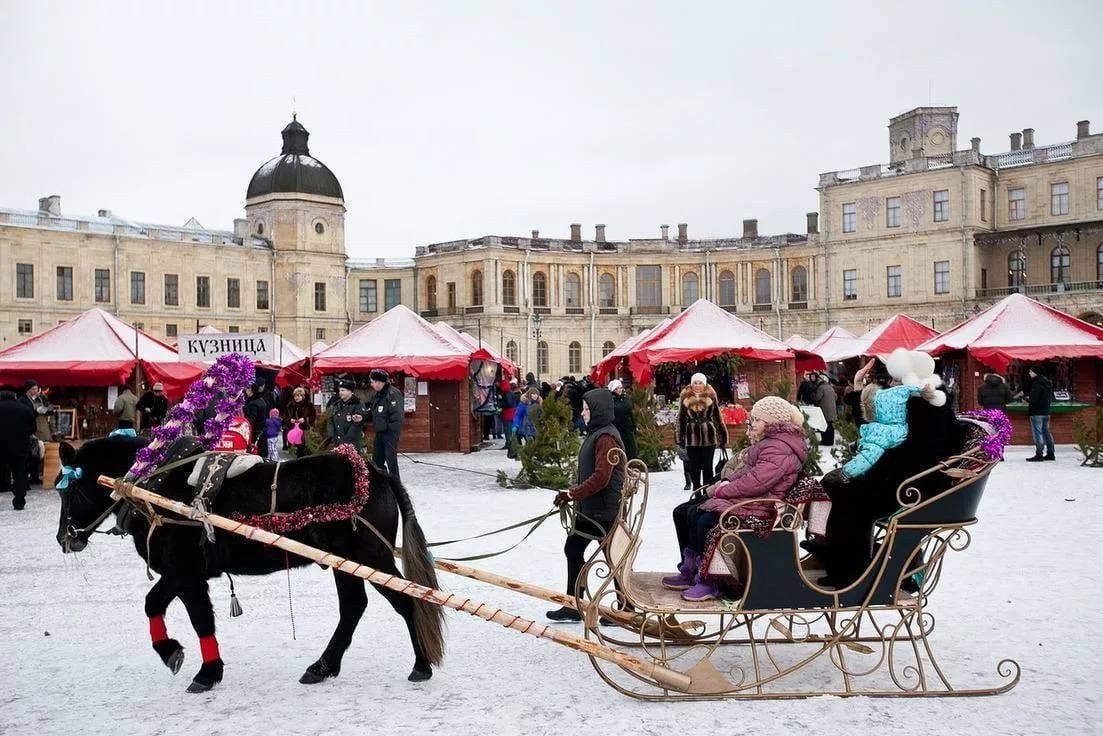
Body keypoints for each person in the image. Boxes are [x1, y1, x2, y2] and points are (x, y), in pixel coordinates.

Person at [663, 396, 807, 601]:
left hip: (763, 506)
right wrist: (722, 484)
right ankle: (692, 569)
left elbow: (757, 482)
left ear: (772, 423)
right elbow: (746, 474)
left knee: (705, 520)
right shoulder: (769, 444)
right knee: (689, 512)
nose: (752, 424)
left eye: (757, 420)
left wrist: (724, 490)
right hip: (753, 499)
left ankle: (710, 580)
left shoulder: (779, 448)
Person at [546, 388, 626, 622]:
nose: (582, 412)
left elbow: (602, 477)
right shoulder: (598, 433)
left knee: (602, 554)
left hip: (602, 510)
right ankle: (579, 603)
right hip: (593, 508)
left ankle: (619, 605)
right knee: (587, 551)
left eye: (586, 408)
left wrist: (573, 494)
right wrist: (573, 493)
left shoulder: (606, 438)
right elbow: (592, 472)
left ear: (598, 410)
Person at [839, 350, 946, 480]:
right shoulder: (921, 402)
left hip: (906, 483)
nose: (890, 385)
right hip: (908, 479)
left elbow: (878, 437)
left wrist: (859, 387)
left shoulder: (916, 406)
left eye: (895, 379)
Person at [675, 373, 728, 490]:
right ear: (691, 383)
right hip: (691, 436)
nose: (697, 385)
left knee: (707, 466)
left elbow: (717, 416)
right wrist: (680, 437)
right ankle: (696, 489)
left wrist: (722, 437)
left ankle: (707, 491)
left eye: (700, 383)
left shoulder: (711, 395)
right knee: (693, 466)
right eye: (695, 382)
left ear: (704, 384)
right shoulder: (685, 396)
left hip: (708, 435)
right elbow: (681, 418)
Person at [0, 390, 36, 510]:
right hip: (19, 447)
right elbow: (33, 428)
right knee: (20, 473)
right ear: (14, 396)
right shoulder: (24, 409)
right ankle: (19, 500)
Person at [367, 368, 404, 478]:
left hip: (390, 434)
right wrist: (362, 417)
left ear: (379, 382)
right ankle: (381, 486)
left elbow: (397, 416)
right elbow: (372, 413)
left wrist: (390, 432)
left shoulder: (393, 393)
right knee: (376, 462)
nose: (371, 384)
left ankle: (395, 487)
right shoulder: (377, 396)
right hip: (379, 433)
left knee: (391, 462)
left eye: (373, 382)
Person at [20, 380, 52, 485]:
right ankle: (29, 475)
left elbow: (50, 409)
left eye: (36, 388)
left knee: (42, 452)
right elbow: (25, 413)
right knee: (32, 452)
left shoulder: (41, 398)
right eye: (33, 389)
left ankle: (36, 476)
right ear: (28, 390)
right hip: (30, 428)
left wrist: (46, 409)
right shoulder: (23, 400)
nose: (35, 391)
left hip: (42, 427)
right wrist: (36, 411)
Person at [1023, 365, 1055, 462]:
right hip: (1046, 411)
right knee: (1047, 432)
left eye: (1031, 371)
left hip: (1037, 412)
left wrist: (1027, 400)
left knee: (1038, 433)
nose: (1029, 373)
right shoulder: (1047, 382)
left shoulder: (1037, 383)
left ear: (1036, 372)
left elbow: (1035, 398)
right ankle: (1051, 453)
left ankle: (1039, 454)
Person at [327, 379, 365, 451]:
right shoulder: (336, 404)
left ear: (350, 391)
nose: (340, 393)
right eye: (340, 390)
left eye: (343, 390)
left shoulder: (358, 404)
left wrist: (346, 440)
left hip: (351, 445)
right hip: (337, 443)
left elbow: (357, 425)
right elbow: (330, 420)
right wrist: (332, 435)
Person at [608, 379, 637, 461]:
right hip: (617, 429)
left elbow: (630, 413)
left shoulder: (625, 399)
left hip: (627, 428)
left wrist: (633, 426)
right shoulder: (611, 400)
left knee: (630, 451)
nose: (619, 390)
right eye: (617, 389)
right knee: (620, 451)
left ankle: (630, 466)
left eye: (620, 388)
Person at [283, 387, 317, 458]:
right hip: (293, 433)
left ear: (303, 396)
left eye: (299, 395)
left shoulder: (308, 405)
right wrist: (290, 420)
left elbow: (313, 416)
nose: (297, 397)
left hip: (305, 431)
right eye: (295, 395)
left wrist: (305, 419)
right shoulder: (290, 405)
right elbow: (285, 418)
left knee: (303, 452)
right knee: (294, 454)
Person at [810, 373, 837, 445]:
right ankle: (831, 441)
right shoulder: (830, 387)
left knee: (824, 425)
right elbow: (836, 397)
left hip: (824, 410)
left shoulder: (821, 387)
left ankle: (825, 441)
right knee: (831, 426)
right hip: (832, 410)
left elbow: (817, 397)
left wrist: (812, 395)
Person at [243, 384, 268, 453]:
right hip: (262, 431)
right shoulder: (261, 400)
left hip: (255, 432)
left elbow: (251, 420)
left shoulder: (252, 404)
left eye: (248, 389)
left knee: (255, 451)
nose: (246, 391)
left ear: (252, 391)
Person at [500, 378, 520, 456]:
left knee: (508, 430)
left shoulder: (506, 393)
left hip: (508, 414)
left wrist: (501, 404)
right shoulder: (511, 392)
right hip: (512, 413)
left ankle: (509, 444)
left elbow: (508, 403)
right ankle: (511, 443)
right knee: (512, 430)